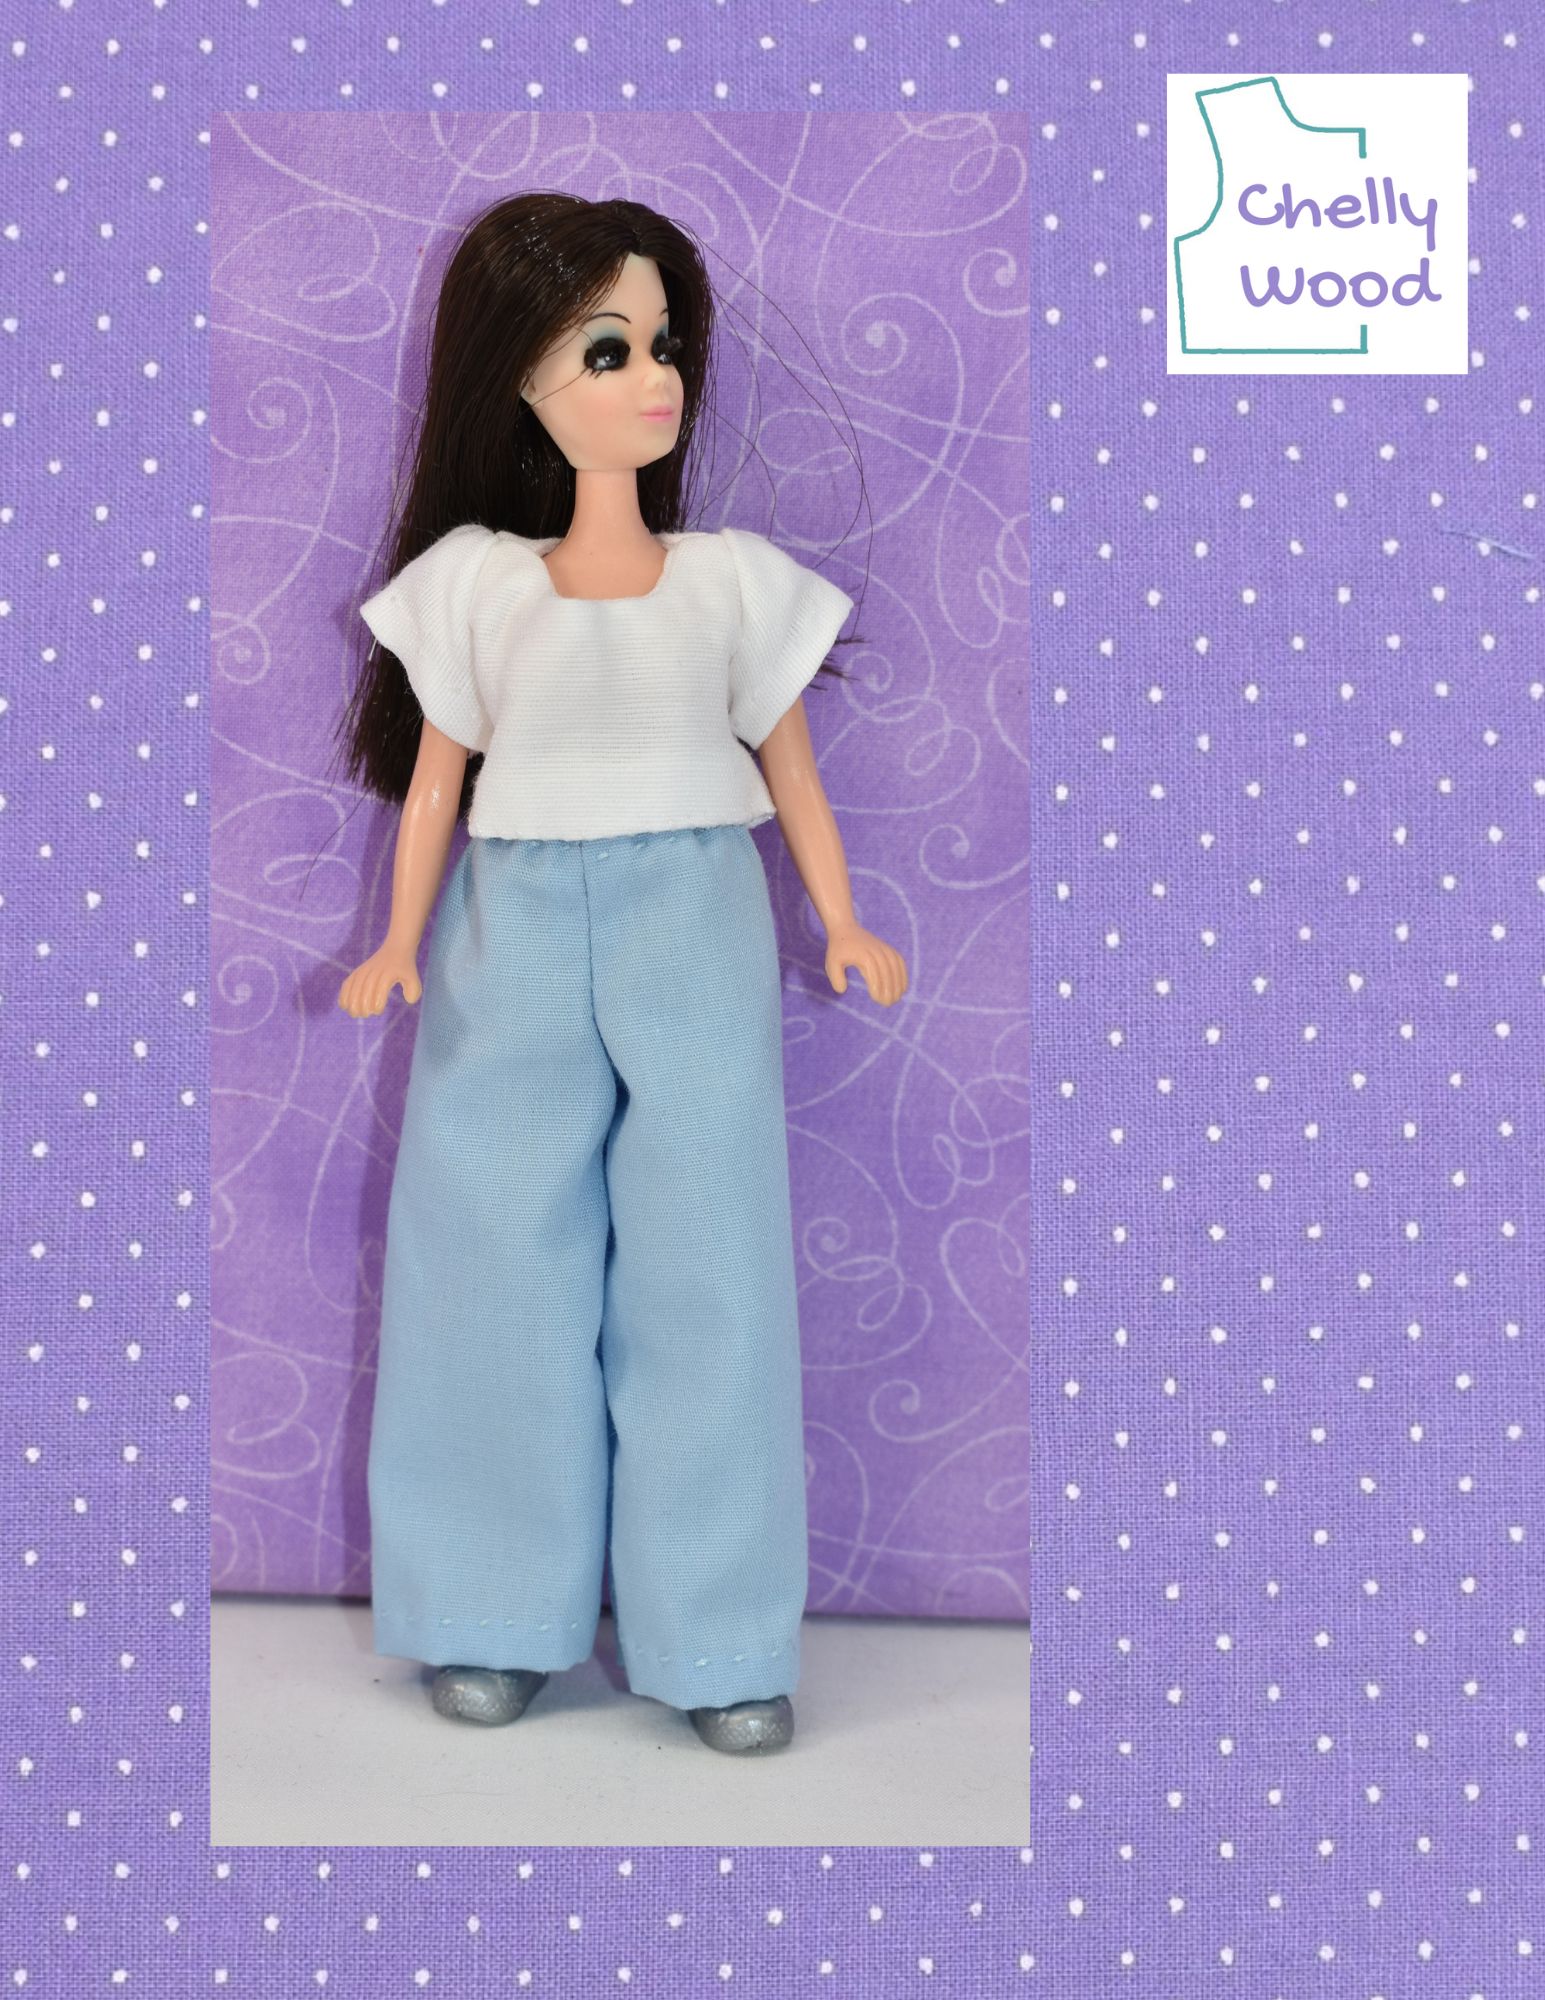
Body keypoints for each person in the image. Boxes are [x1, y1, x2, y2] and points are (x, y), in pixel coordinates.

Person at [334, 192, 907, 1755]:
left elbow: (791, 771)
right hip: (510, 923)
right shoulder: (475, 583)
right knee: (484, 1254)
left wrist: (840, 920)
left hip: (693, 918)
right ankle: (486, 1610)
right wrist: (394, 942)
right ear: (518, 379)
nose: (653, 378)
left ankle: (719, 1636)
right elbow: (437, 782)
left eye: (661, 346)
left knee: (708, 1262)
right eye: (608, 350)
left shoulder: (729, 582)